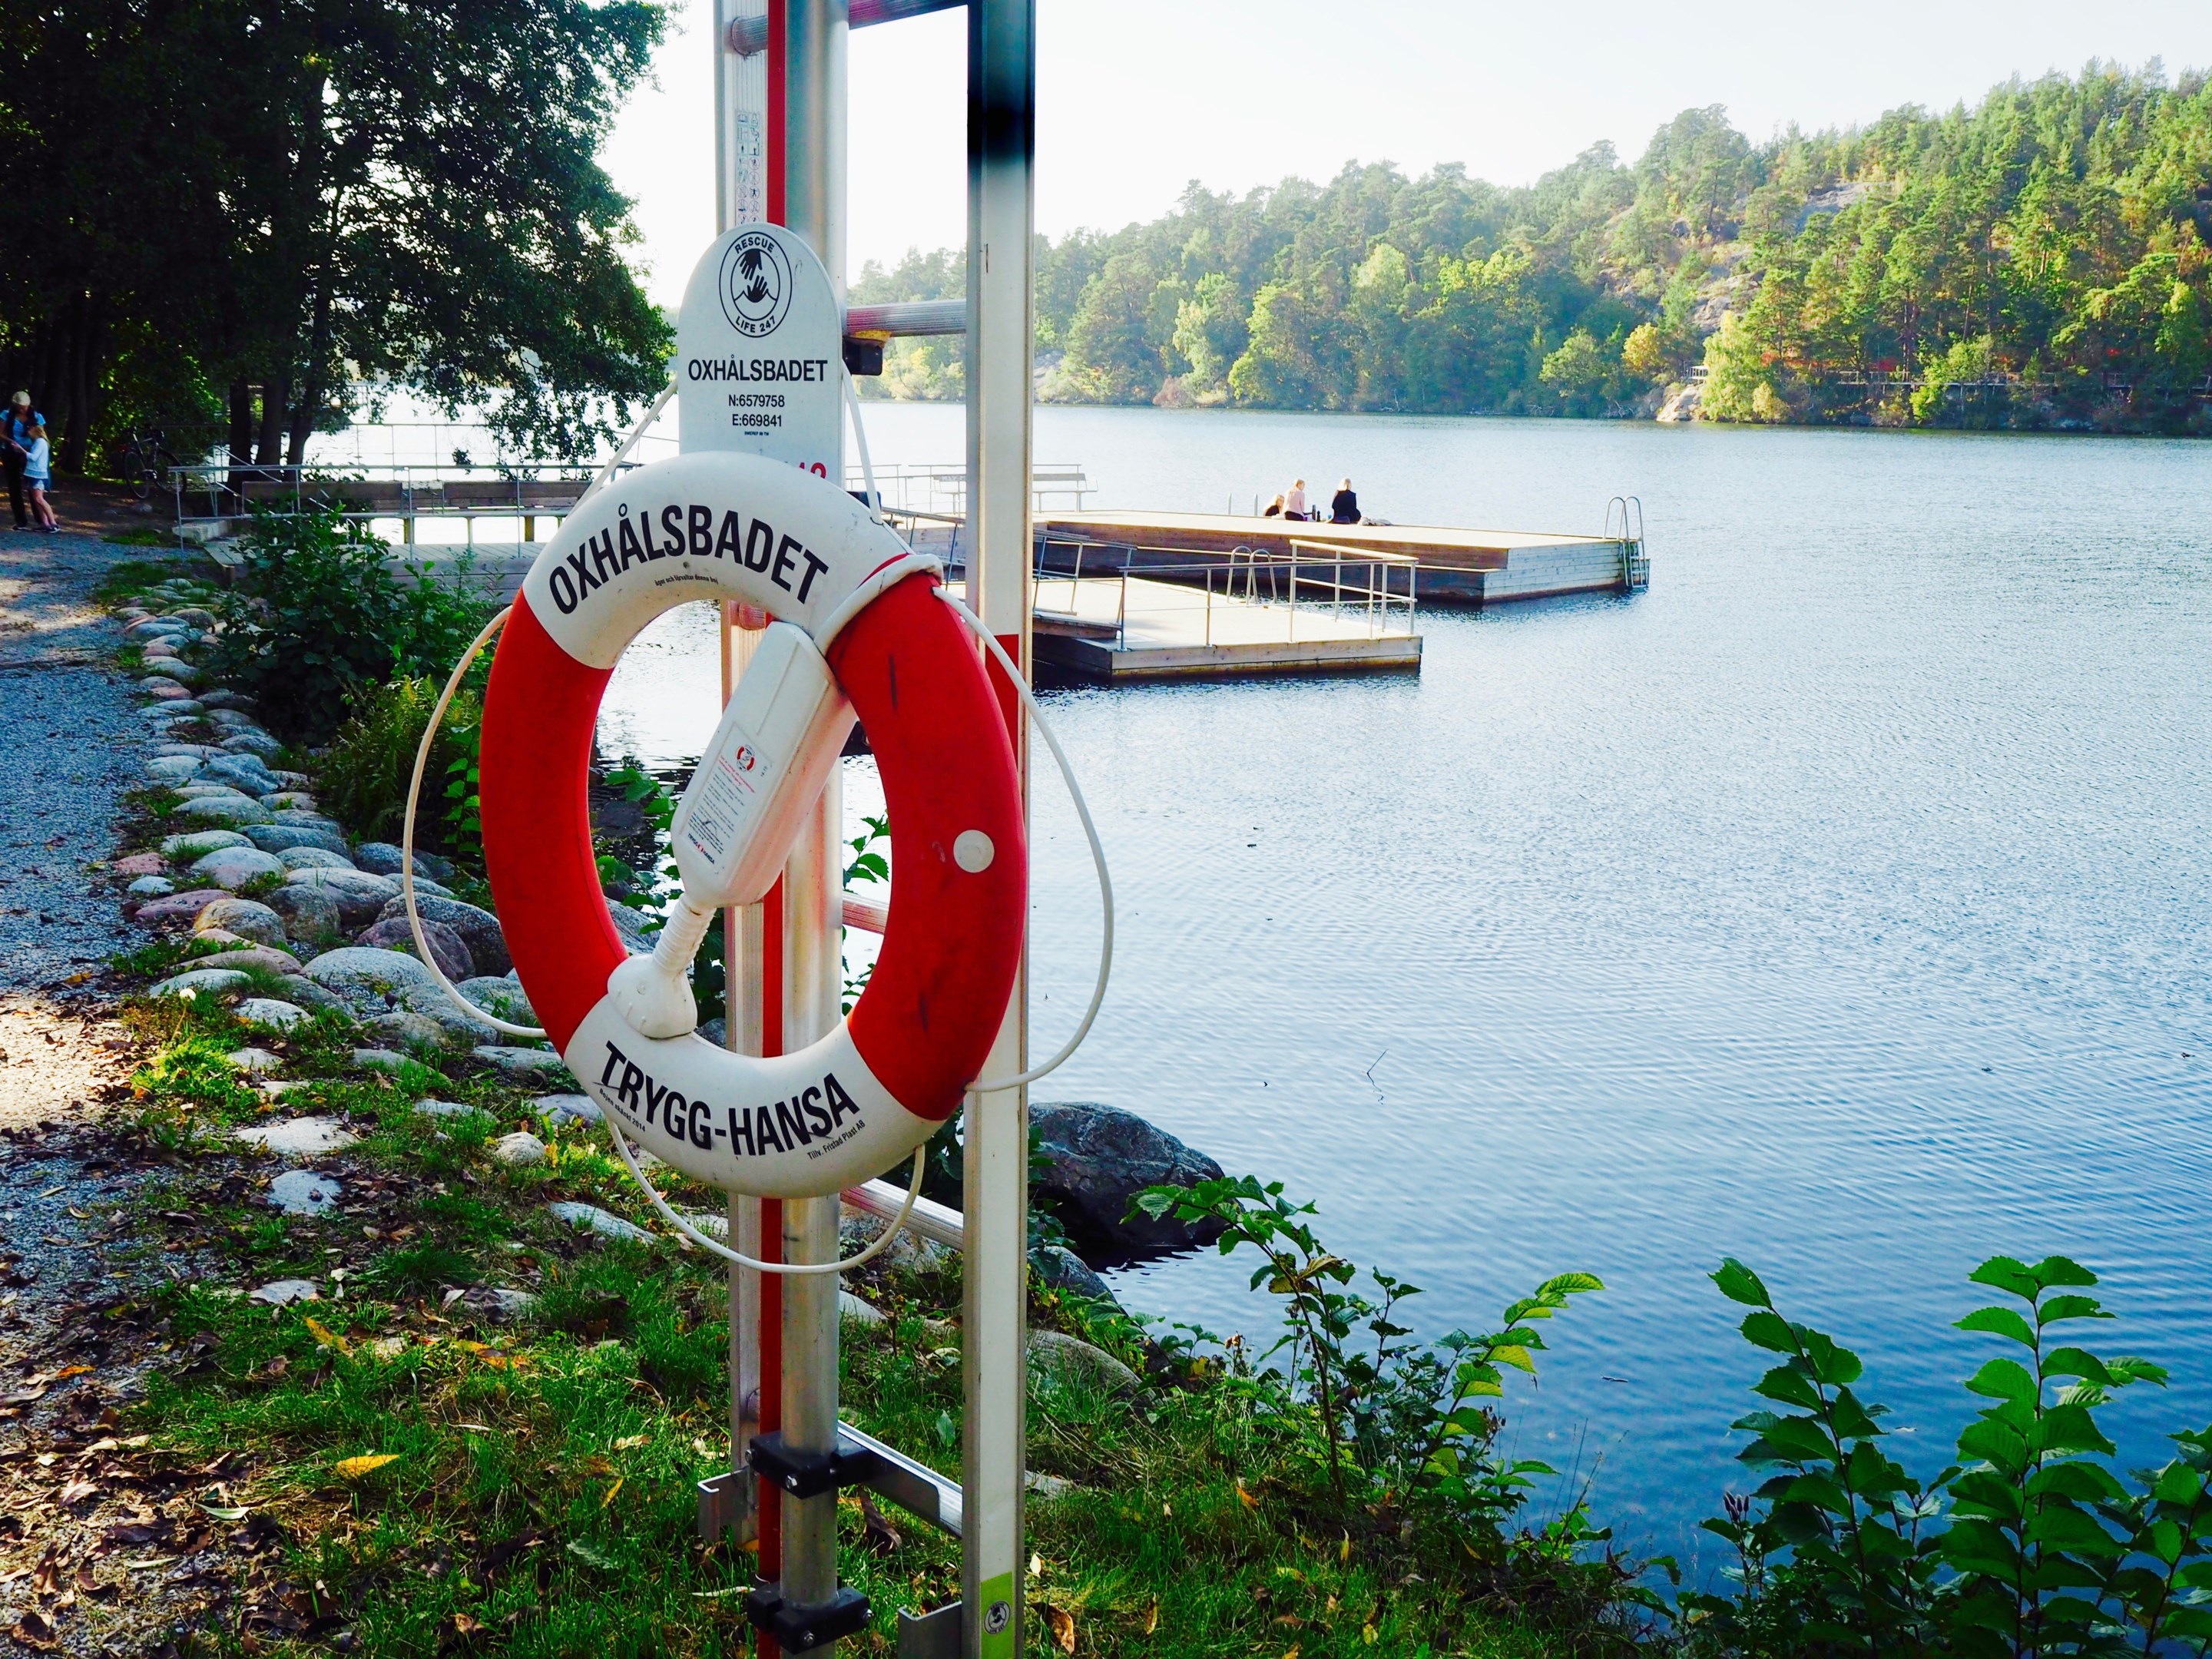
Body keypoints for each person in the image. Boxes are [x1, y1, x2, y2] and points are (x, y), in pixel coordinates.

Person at [2, 392, 41, 530]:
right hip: (10, 452)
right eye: (18, 407)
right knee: (14, 486)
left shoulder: (37, 417)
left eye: (23, 407)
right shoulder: (6, 415)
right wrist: (11, 441)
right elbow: (1, 433)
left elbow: (41, 435)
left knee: (33, 486)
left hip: (29, 454)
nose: (21, 409)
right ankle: (21, 521)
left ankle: (41, 519)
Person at [21, 419, 55, 533]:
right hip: (32, 474)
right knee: (37, 500)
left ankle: (53, 523)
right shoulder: (37, 442)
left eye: (28, 430)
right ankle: (45, 523)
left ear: (34, 429)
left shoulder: (40, 442)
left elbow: (33, 457)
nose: (28, 432)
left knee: (39, 499)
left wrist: (21, 449)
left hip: (38, 475)